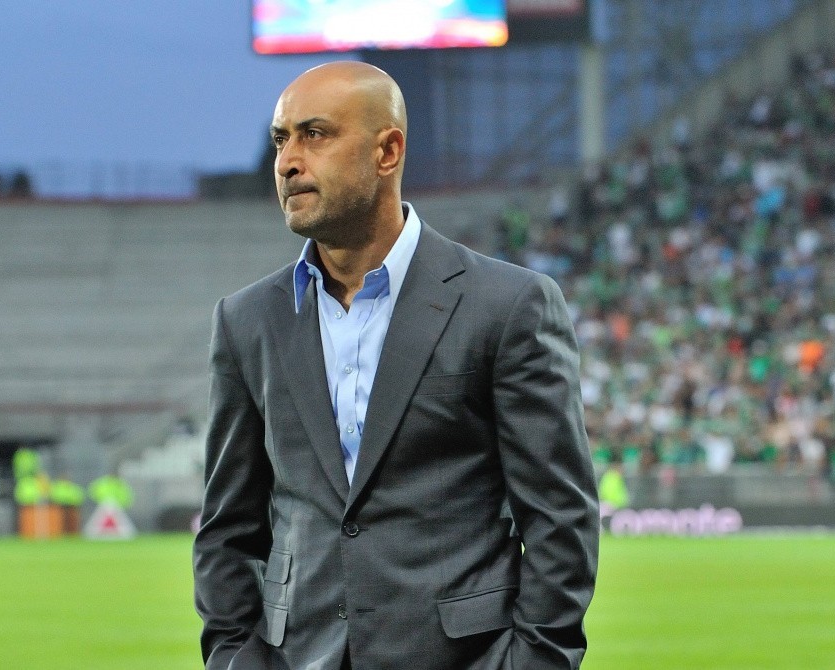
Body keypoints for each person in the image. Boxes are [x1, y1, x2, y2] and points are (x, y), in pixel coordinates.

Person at [192, 61, 599, 670]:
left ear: (387, 151)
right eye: (281, 140)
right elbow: (228, 528)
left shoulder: (508, 305)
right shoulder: (246, 320)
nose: (288, 162)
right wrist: (233, 658)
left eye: (315, 134)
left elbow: (559, 517)